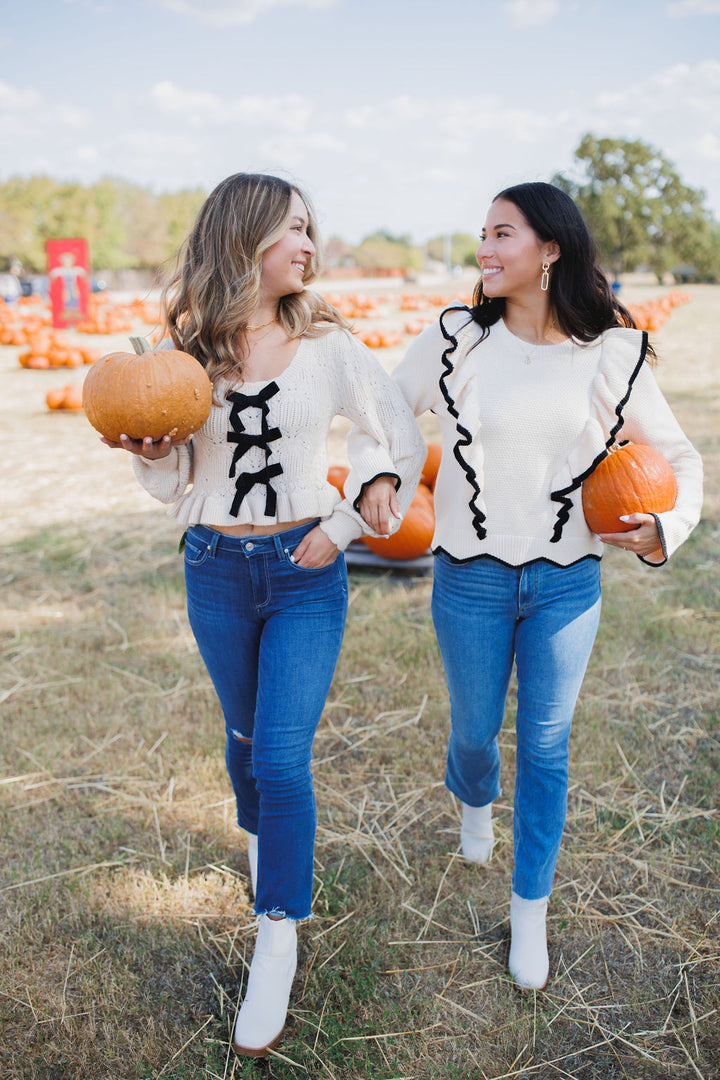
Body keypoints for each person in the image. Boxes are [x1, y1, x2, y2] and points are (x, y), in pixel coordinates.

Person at [102, 172, 426, 1054]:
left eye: (313, 229)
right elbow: (175, 492)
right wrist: (150, 451)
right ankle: (257, 842)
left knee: (283, 756)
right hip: (213, 565)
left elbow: (394, 432)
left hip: (305, 572)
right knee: (244, 738)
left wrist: (351, 514)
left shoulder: (326, 345)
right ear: (245, 236)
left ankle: (276, 929)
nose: (311, 246)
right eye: (295, 229)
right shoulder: (182, 354)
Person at [358, 181, 703, 991]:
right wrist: (377, 472)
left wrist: (664, 529)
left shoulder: (613, 352)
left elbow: (683, 462)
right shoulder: (455, 339)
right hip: (469, 580)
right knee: (476, 736)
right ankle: (475, 806)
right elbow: (384, 410)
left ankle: (529, 914)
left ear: (550, 250)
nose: (484, 248)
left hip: (567, 585)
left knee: (546, 747)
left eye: (501, 233)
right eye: (481, 233)